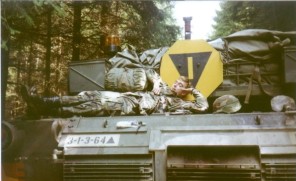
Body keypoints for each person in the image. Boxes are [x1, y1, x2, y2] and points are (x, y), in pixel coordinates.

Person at [21, 70, 209, 118]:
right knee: (91, 95)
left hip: (132, 107)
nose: (175, 85)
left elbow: (203, 106)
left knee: (95, 106)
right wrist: (158, 81)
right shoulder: (164, 88)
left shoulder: (182, 104)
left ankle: (46, 110)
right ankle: (43, 101)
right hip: (128, 97)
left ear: (184, 90)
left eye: (179, 85)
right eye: (175, 82)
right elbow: (150, 71)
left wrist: (192, 91)